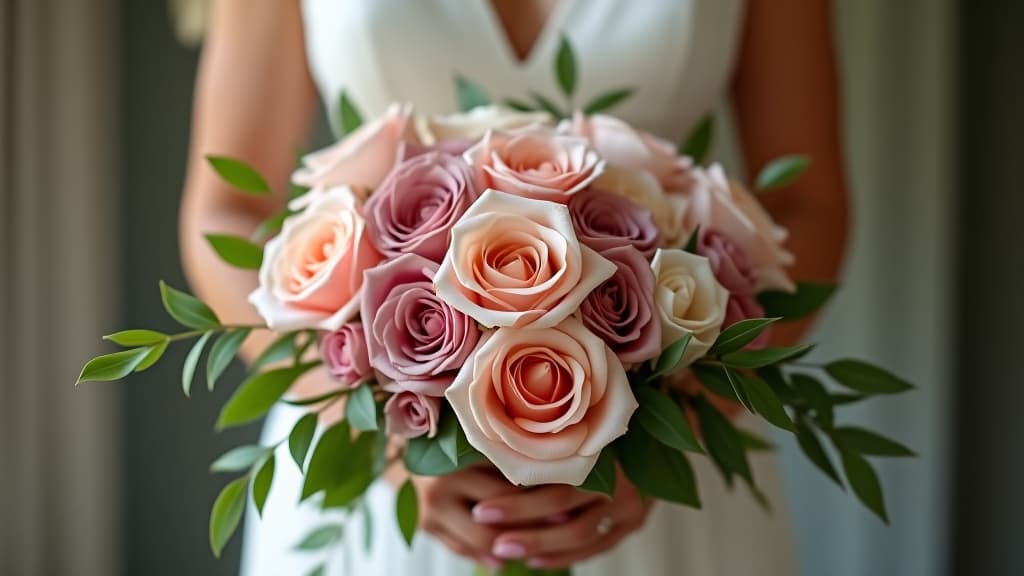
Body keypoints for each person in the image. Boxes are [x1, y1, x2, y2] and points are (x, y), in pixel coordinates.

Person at [180, 1, 849, 574]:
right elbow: (227, 215)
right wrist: (387, 439)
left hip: (660, 469)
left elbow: (809, 207)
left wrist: (675, 430)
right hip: (372, 455)